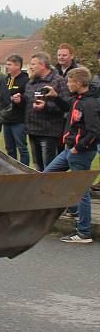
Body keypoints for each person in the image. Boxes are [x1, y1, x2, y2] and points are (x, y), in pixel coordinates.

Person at [42, 67, 98, 243]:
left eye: (69, 81)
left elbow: (95, 131)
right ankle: (73, 210)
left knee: (81, 191)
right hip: (69, 150)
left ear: (79, 83)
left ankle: (83, 232)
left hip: (79, 152)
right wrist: (55, 97)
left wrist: (78, 147)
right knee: (48, 175)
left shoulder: (89, 104)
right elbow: (68, 107)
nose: (67, 84)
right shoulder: (78, 99)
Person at [23, 52, 70, 171]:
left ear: (43, 65)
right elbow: (28, 101)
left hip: (49, 132)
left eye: (33, 64)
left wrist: (46, 106)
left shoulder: (58, 81)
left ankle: (51, 189)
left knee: (49, 167)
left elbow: (66, 105)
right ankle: (39, 189)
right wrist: (20, 100)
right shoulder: (31, 81)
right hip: (33, 130)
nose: (31, 67)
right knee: (37, 166)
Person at [3, 55, 30, 166]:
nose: (6, 67)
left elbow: (28, 98)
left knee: (22, 147)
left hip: (19, 120)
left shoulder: (25, 80)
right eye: (6, 64)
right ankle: (11, 171)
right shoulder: (6, 79)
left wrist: (21, 99)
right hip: (7, 120)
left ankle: (24, 172)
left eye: (9, 64)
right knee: (9, 148)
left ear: (18, 66)